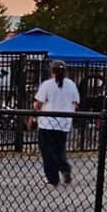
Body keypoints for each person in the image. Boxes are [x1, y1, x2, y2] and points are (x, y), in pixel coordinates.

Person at [30, 59, 79, 187]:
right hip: (64, 122)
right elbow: (76, 102)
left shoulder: (47, 85)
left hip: (47, 122)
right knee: (59, 148)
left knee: (48, 151)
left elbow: (38, 104)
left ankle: (52, 177)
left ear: (51, 70)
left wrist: (32, 117)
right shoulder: (71, 84)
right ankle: (64, 168)